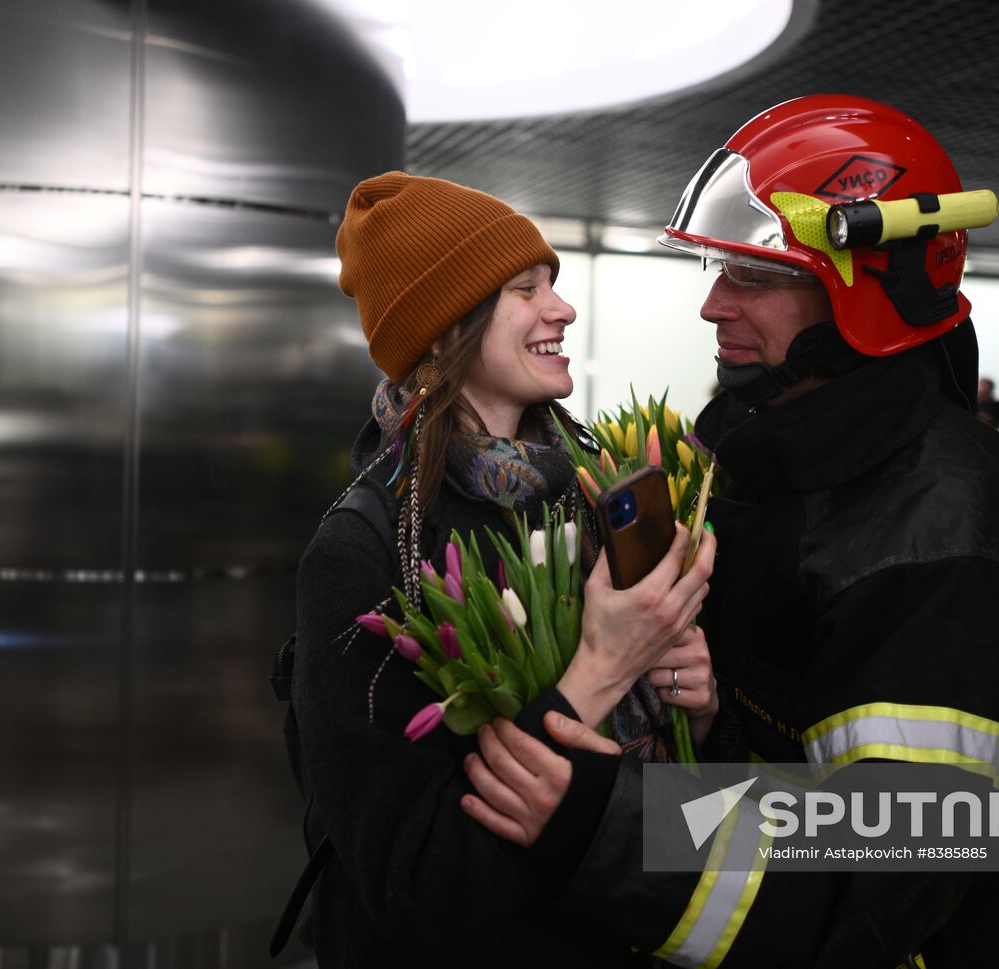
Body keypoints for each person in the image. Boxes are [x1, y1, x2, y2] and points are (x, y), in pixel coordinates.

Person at [459, 96, 999, 968]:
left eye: (757, 278)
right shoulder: (771, 459)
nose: (712, 306)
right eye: (716, 270)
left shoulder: (942, 533)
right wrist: (717, 702)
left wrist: (608, 826)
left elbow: (876, 876)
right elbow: (805, 735)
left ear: (872, 294)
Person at [286, 172, 717, 968]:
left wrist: (688, 700)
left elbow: (662, 802)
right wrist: (596, 671)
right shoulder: (365, 550)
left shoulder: (590, 491)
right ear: (447, 330)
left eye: (553, 281)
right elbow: (412, 884)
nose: (563, 308)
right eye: (526, 288)